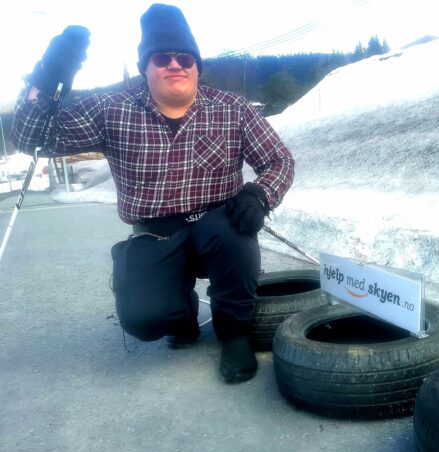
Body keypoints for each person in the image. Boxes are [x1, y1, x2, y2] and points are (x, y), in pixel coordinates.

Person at [12, 4, 295, 383]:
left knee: (234, 240)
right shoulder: (111, 110)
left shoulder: (234, 109)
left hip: (219, 224)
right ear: (146, 67)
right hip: (155, 232)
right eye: (162, 58)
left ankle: (234, 333)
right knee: (144, 319)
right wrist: (48, 77)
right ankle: (181, 315)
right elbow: (33, 139)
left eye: (184, 58)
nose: (174, 65)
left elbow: (279, 160)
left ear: (197, 67)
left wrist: (261, 194)